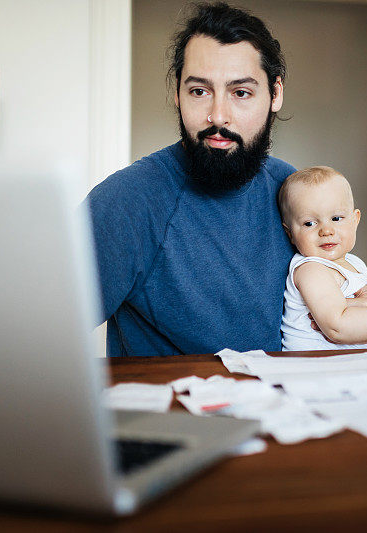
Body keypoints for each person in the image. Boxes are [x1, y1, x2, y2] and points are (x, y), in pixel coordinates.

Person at [85, 3, 297, 356]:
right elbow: (34, 332)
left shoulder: (292, 190)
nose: (218, 115)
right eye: (199, 91)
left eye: (240, 92)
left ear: (275, 94)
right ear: (177, 94)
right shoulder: (128, 201)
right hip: (171, 409)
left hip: (286, 405)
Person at [278, 166, 367, 351]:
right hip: (312, 367)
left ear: (355, 220)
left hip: (341, 366)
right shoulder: (311, 270)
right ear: (290, 233)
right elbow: (338, 327)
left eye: (336, 218)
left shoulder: (354, 263)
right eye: (310, 223)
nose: (326, 231)